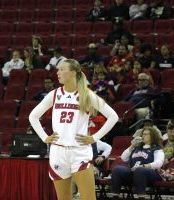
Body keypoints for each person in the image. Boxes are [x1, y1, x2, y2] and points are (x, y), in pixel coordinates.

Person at [29, 59, 118, 200]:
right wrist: (44, 137)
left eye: (61, 69)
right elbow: (33, 116)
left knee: (88, 198)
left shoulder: (87, 94)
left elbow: (113, 116)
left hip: (79, 151)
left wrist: (94, 137)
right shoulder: (54, 94)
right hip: (58, 151)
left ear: (73, 72)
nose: (57, 72)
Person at [111, 127, 164, 200]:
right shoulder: (137, 147)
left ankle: (141, 197)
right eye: (143, 134)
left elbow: (159, 163)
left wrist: (142, 166)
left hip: (150, 174)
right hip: (134, 172)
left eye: (146, 134)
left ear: (152, 136)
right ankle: (115, 197)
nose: (143, 136)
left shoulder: (157, 149)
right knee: (117, 169)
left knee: (140, 170)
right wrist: (132, 145)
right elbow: (123, 157)